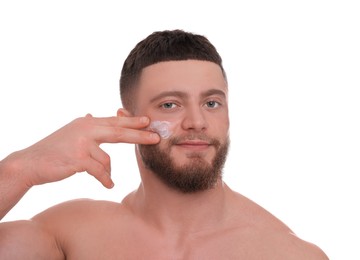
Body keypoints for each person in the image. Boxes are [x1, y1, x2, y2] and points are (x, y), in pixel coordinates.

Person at [0, 29, 328, 259]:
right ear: (127, 121)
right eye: (170, 105)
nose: (197, 122)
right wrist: (21, 168)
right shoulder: (70, 237)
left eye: (212, 103)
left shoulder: (288, 254)